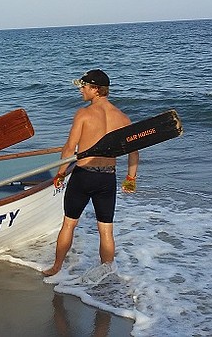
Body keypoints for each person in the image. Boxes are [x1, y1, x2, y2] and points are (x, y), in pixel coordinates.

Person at [42, 69, 139, 284]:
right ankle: (108, 272)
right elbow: (134, 152)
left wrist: (60, 173)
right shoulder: (123, 118)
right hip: (107, 179)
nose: (80, 90)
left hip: (84, 176)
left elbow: (69, 148)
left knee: (69, 224)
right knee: (106, 230)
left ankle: (56, 267)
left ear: (95, 89)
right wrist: (131, 178)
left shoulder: (84, 114)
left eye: (84, 86)